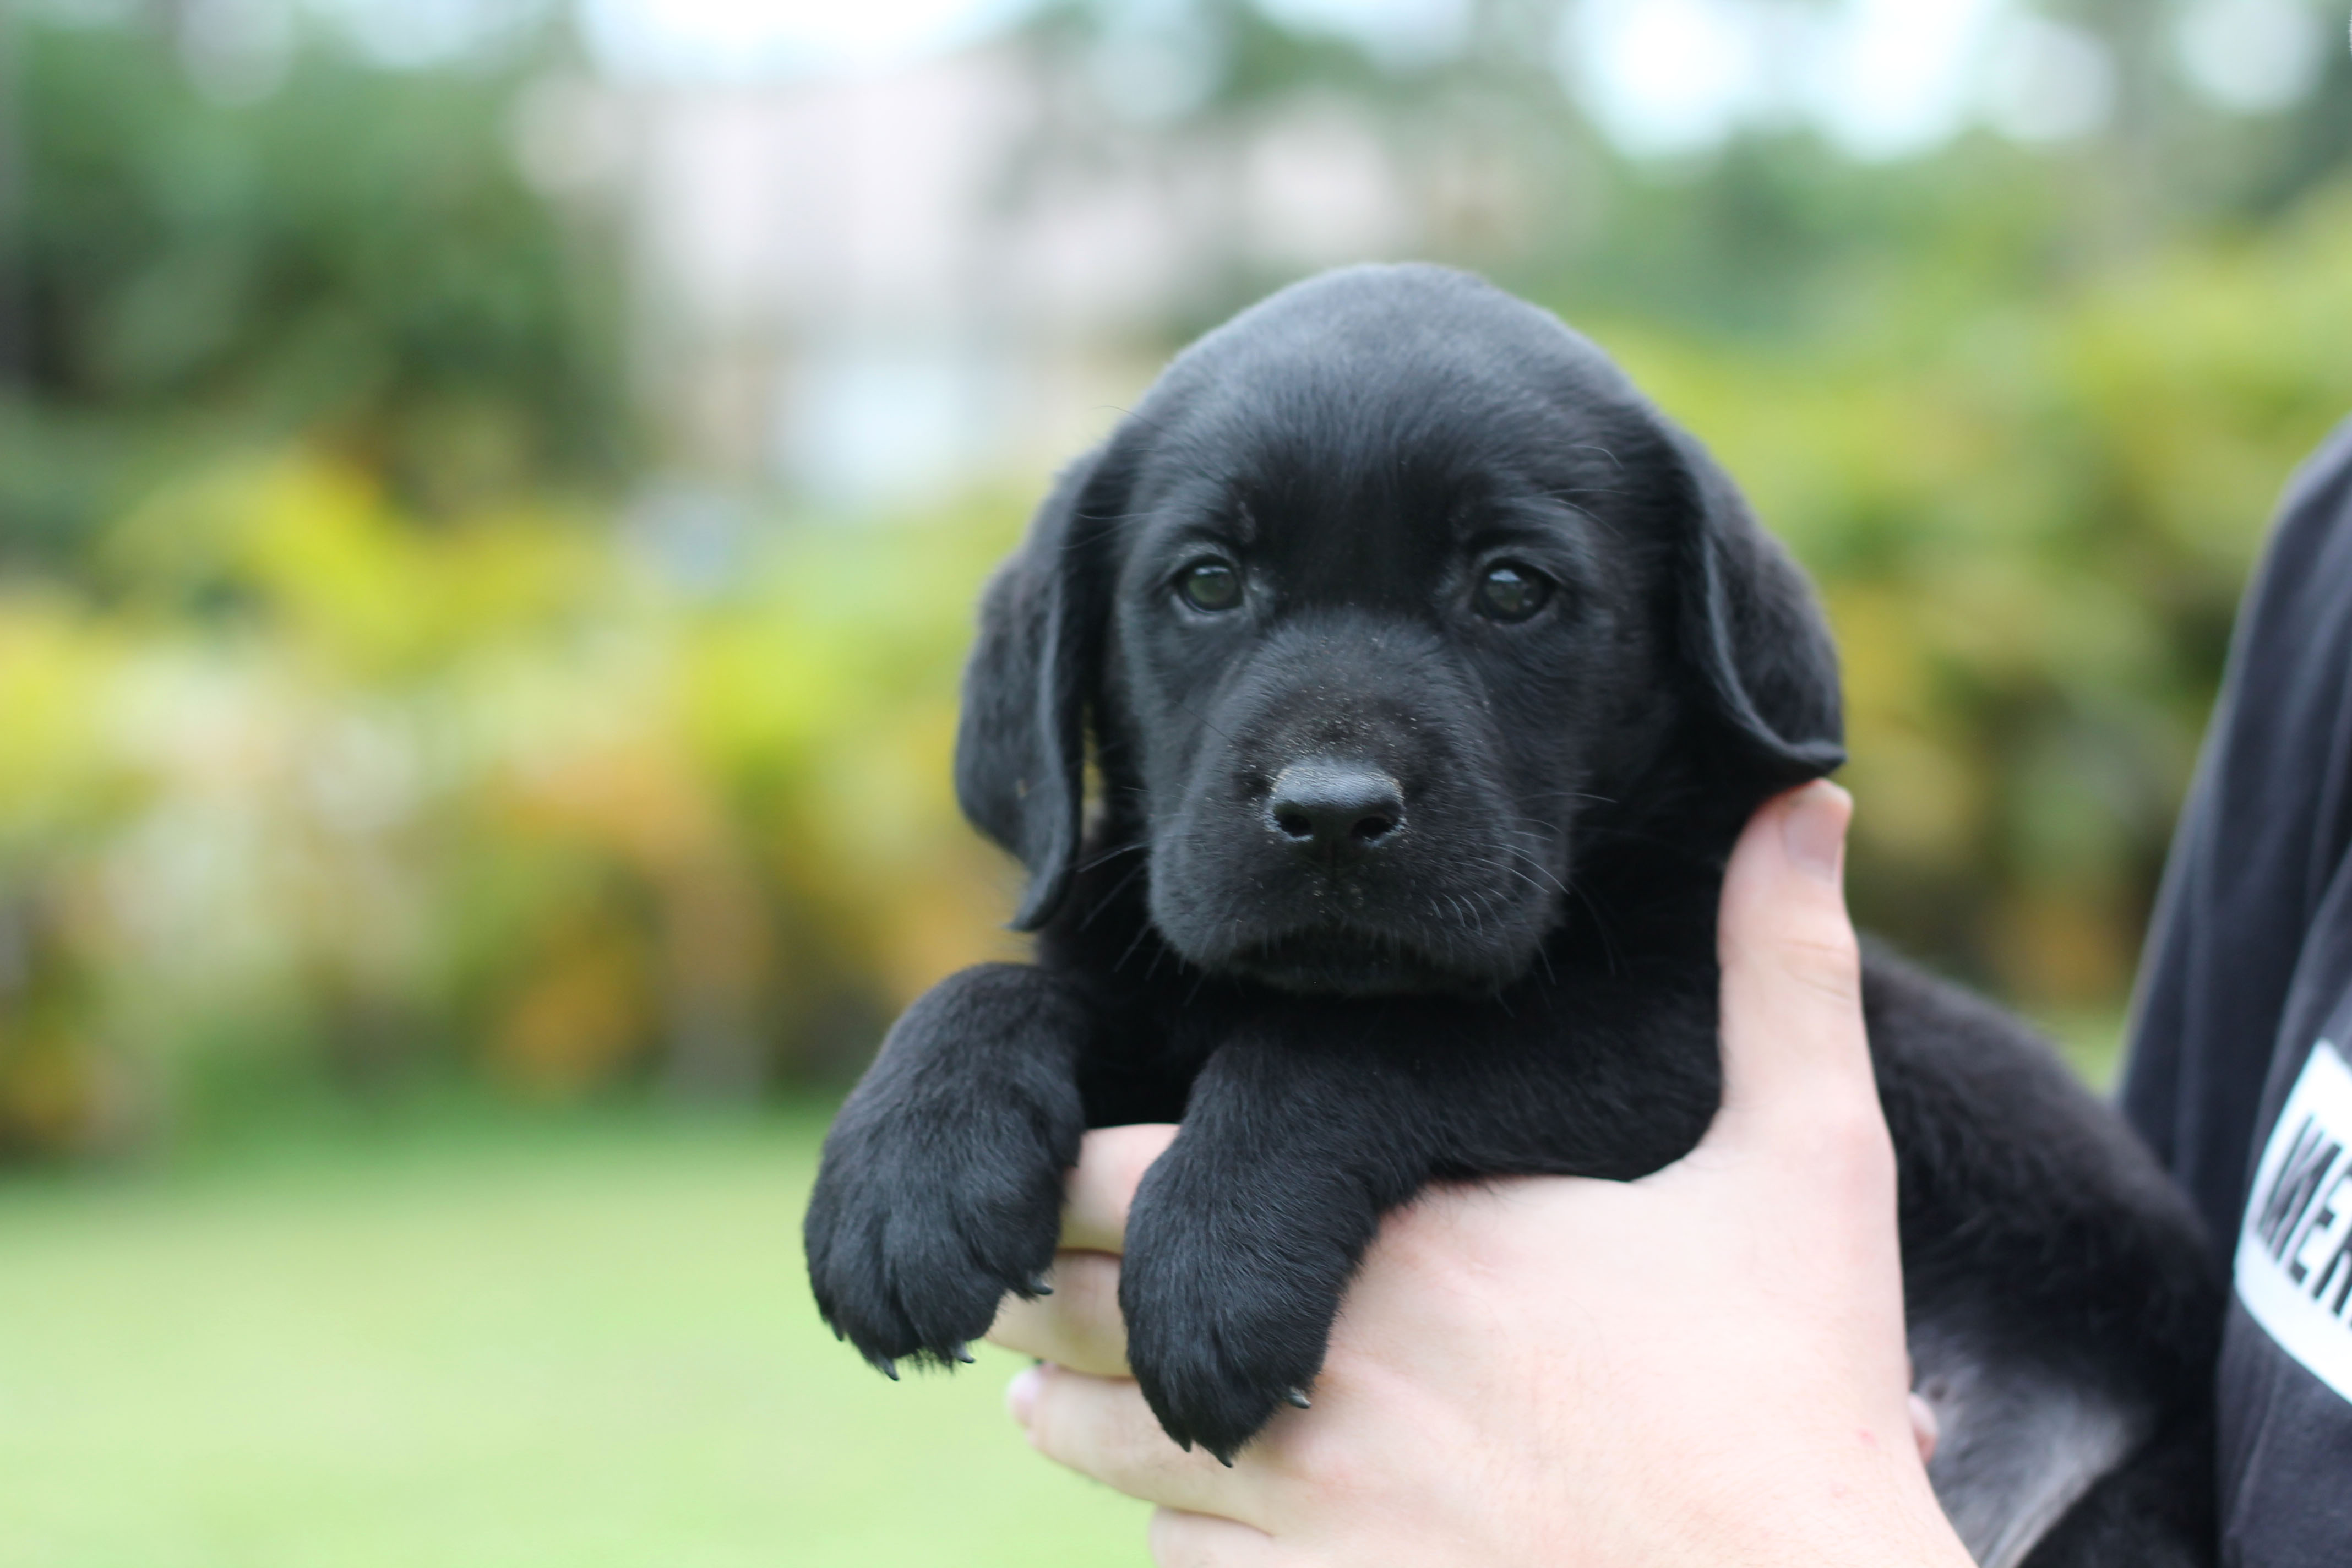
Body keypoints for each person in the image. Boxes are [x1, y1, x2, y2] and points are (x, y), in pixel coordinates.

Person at [986, 423, 2352, 1565]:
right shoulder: (2335, 566)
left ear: (1683, 649)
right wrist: (994, 1039)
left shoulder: (1658, 955)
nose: (1334, 770)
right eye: (1210, 583)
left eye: (1516, 590)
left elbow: (1648, 1046)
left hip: (2088, 1452)